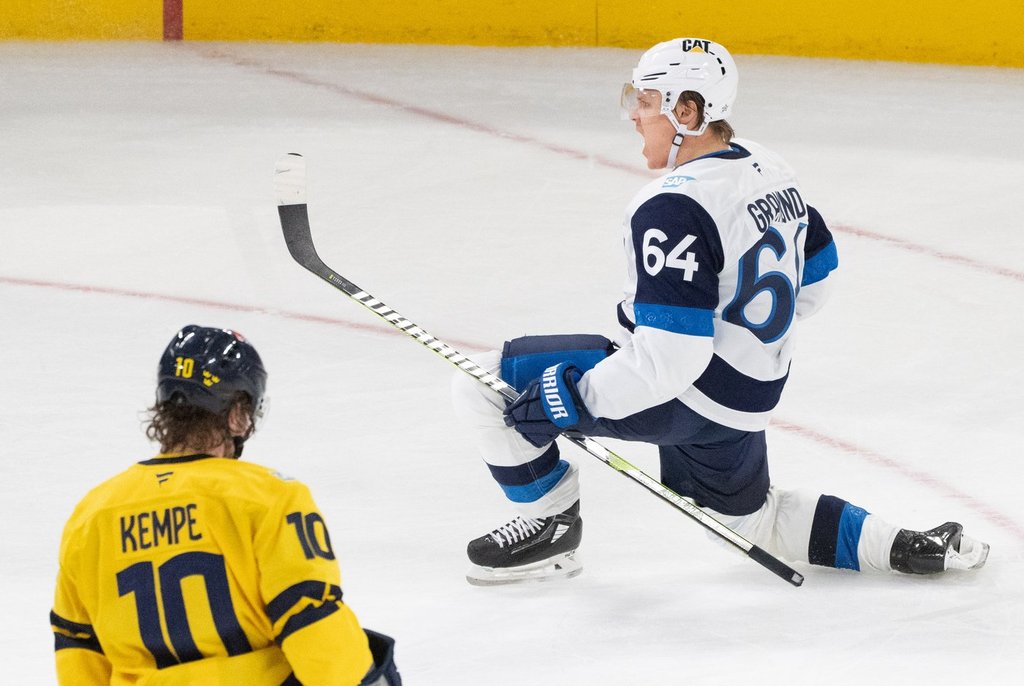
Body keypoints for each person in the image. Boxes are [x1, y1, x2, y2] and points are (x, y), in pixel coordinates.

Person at [451, 37, 989, 585]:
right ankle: (907, 547)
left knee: (487, 383)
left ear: (688, 111)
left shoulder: (672, 206)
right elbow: (818, 280)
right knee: (749, 522)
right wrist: (745, 337)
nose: (635, 116)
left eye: (646, 101)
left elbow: (671, 359)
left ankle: (550, 529)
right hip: (747, 395)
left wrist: (574, 399)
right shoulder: (769, 167)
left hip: (688, 392)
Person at [50, 325, 401, 685]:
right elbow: (310, 617)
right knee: (372, 656)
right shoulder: (268, 497)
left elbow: (77, 644)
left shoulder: (92, 513)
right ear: (236, 414)